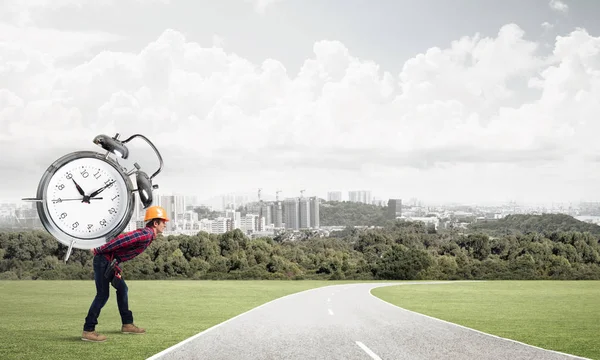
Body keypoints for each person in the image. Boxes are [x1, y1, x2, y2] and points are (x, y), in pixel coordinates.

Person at [81, 205, 169, 342]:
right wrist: (99, 250)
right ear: (156, 223)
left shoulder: (149, 235)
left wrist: (115, 263)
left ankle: (127, 324)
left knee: (122, 289)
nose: (165, 225)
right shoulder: (146, 234)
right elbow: (122, 240)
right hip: (103, 259)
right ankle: (88, 330)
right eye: (163, 222)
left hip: (110, 262)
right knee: (102, 295)